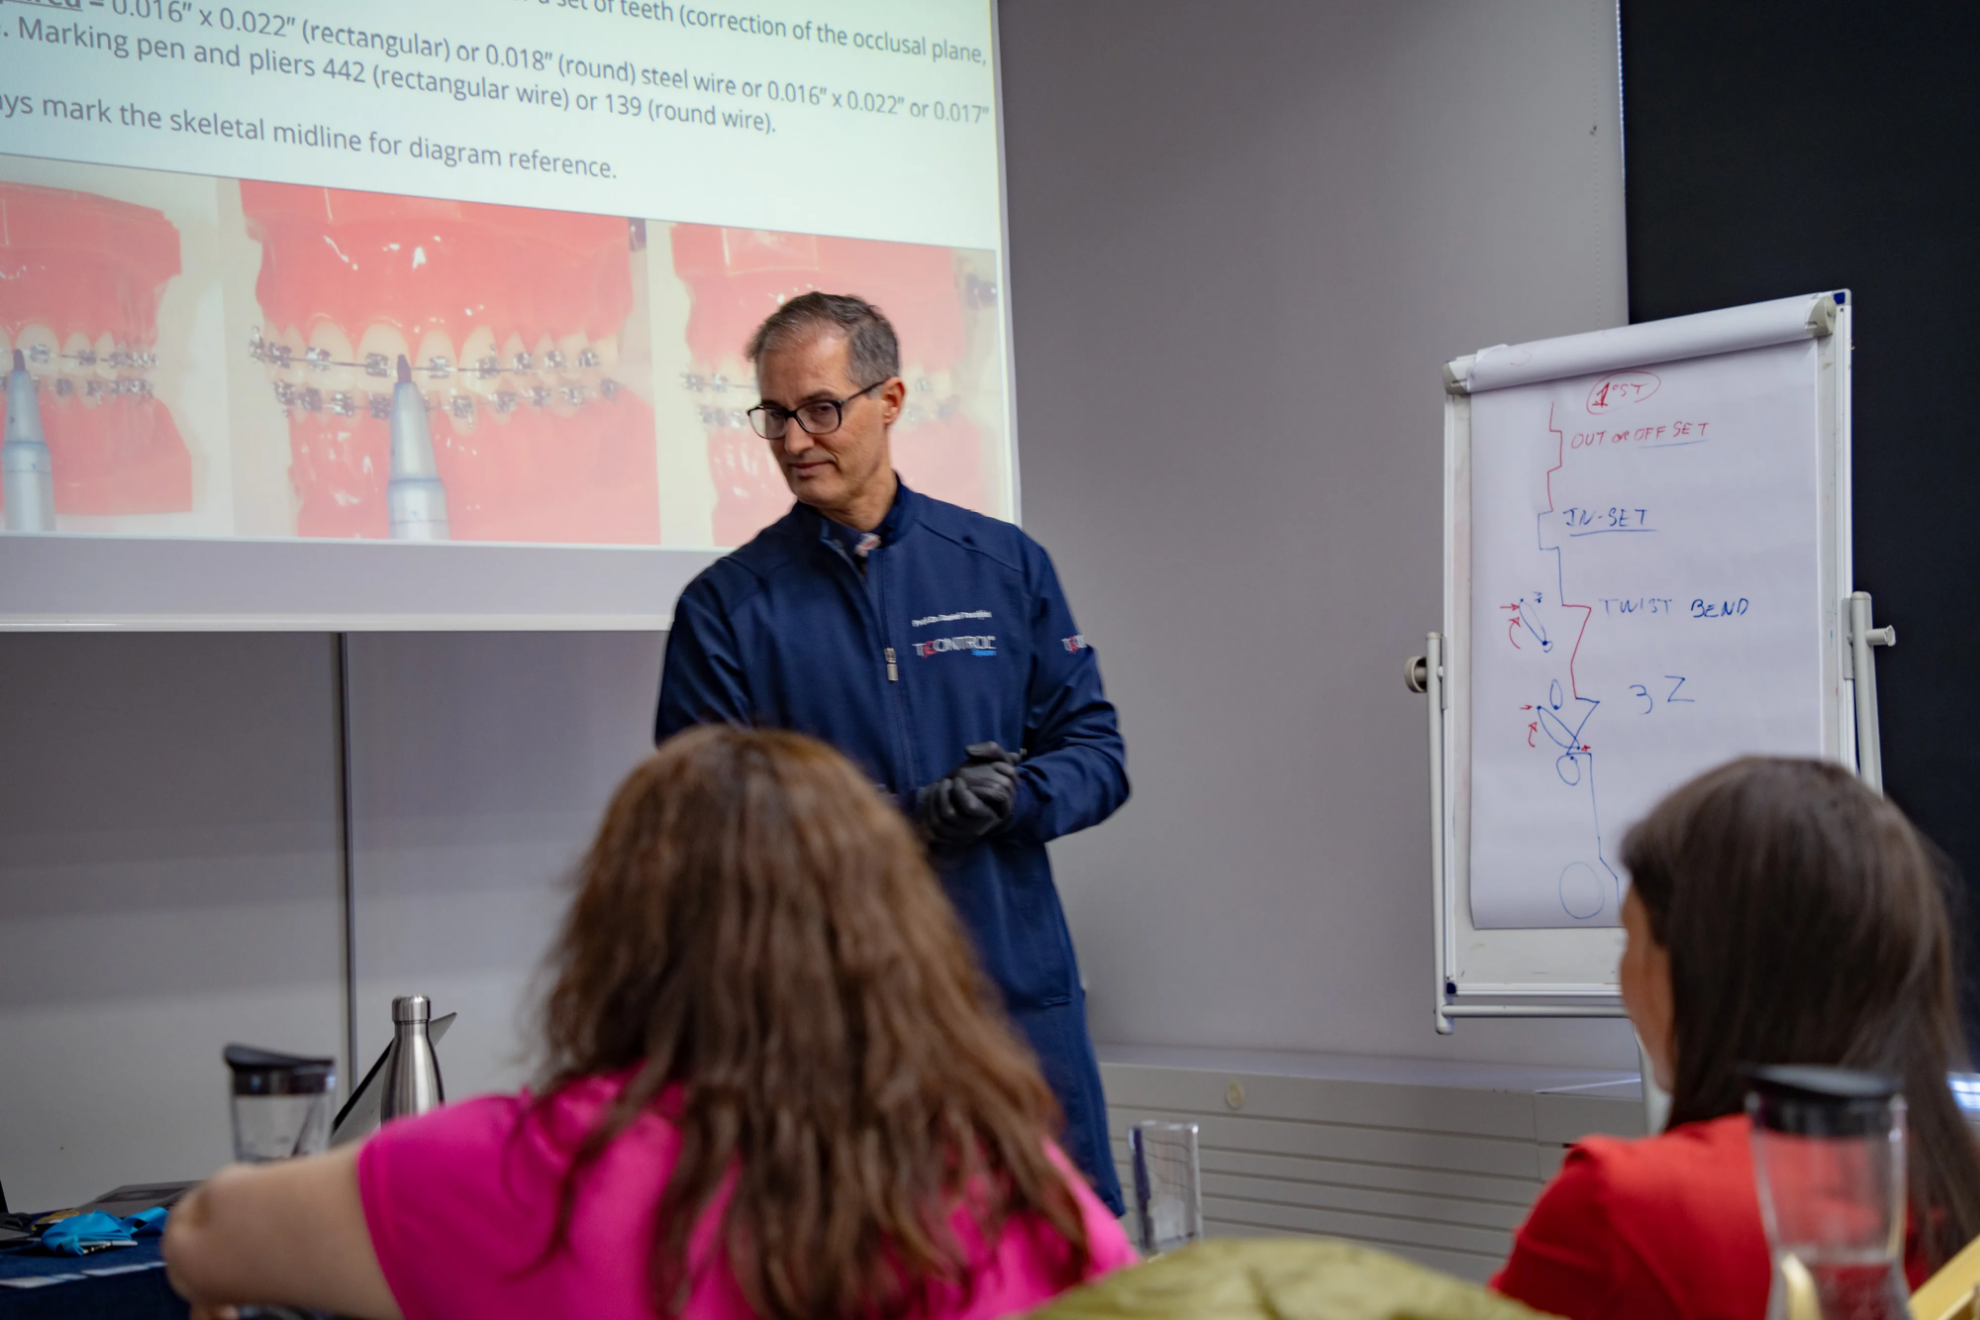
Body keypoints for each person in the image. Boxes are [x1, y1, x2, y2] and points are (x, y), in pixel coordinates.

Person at [163, 726, 1137, 1320]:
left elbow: (204, 1231)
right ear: (893, 939)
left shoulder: (530, 1167)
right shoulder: (1008, 1175)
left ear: (619, 935)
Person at [655, 292, 1129, 1211]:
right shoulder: (727, 607)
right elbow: (701, 827)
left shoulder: (1003, 565)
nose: (795, 441)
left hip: (1008, 1000)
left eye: (820, 409)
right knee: (863, 1262)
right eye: (774, 415)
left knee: (1054, 1257)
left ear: (891, 400)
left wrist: (1016, 797)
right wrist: (895, 821)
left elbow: (1096, 754)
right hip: (828, 1023)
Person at [1492, 756, 1980, 1320]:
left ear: (1702, 970)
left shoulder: (1623, 1207)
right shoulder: (1953, 1173)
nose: (1621, 980)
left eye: (1630, 939)